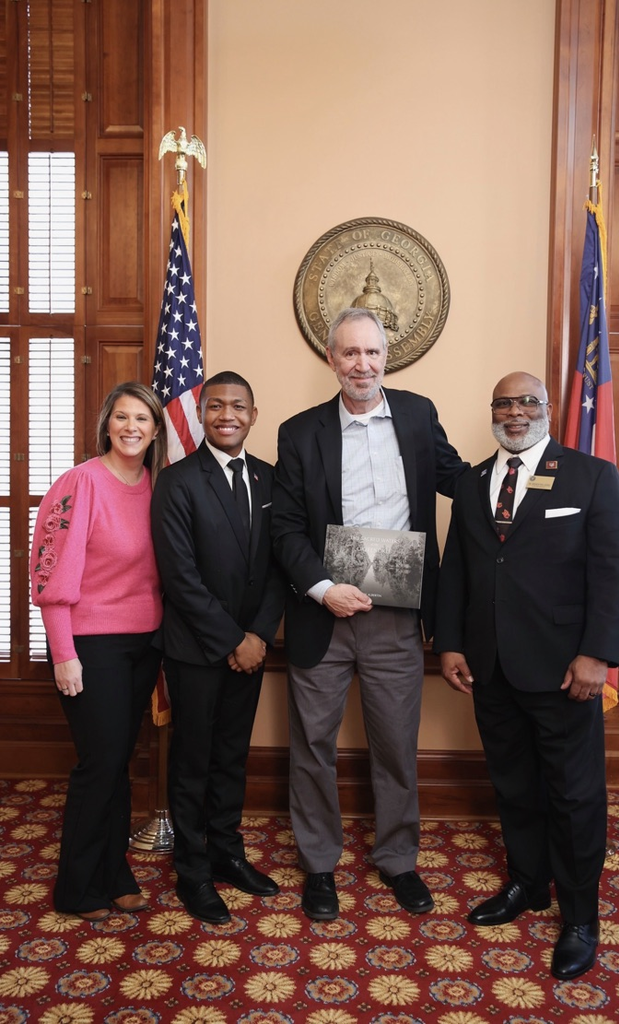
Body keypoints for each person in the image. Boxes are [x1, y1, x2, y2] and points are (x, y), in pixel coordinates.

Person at [434, 370, 619, 981]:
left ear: (548, 408)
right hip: (490, 666)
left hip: (565, 669)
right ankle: (528, 884)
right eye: (504, 403)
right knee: (515, 784)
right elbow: (458, 571)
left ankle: (580, 917)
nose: (515, 412)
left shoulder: (590, 475)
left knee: (574, 796)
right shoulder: (471, 484)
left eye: (528, 402)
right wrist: (450, 645)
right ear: (491, 410)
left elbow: (613, 570)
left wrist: (597, 655)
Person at [271, 307, 467, 921]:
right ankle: (320, 865)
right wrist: (322, 587)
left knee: (396, 745)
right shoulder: (298, 432)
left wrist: (534, 472)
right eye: (350, 353)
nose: (363, 364)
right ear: (331, 360)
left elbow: (460, 479)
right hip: (324, 613)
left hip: (397, 616)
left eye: (372, 353)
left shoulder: (417, 414)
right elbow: (285, 527)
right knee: (312, 745)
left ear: (388, 357)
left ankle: (399, 860)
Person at [151, 370, 285, 925]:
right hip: (197, 651)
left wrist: (257, 635)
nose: (227, 415)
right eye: (217, 407)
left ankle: (228, 853)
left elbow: (281, 564)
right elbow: (180, 577)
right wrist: (233, 639)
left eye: (239, 407)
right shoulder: (177, 480)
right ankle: (192, 869)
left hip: (252, 646)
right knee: (193, 761)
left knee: (232, 757)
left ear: (254, 415)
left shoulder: (273, 480)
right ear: (201, 414)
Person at [31, 381, 167, 921]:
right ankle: (77, 886)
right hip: (90, 645)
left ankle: (114, 873)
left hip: (144, 644)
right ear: (106, 424)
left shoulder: (159, 487)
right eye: (122, 417)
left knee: (118, 765)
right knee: (100, 764)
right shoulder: (79, 484)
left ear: (157, 430)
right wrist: (64, 653)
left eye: (143, 419)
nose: (132, 427)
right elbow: (49, 575)